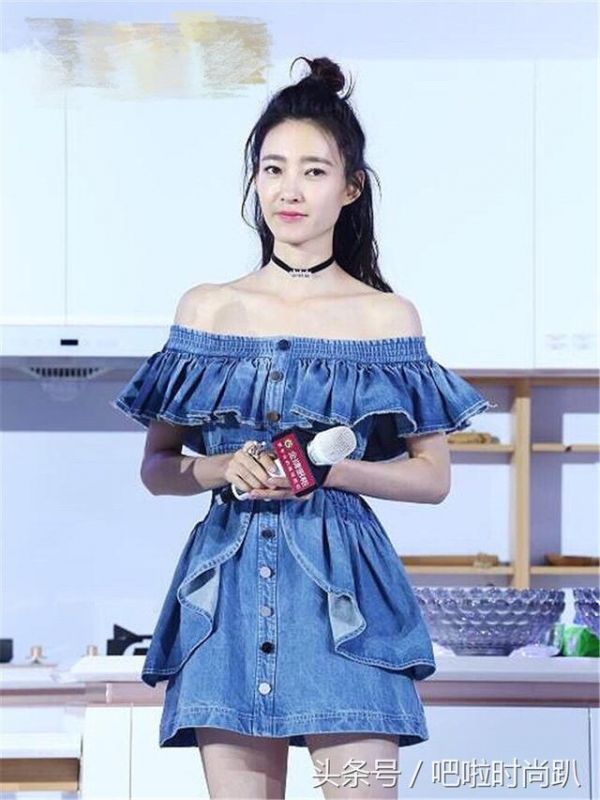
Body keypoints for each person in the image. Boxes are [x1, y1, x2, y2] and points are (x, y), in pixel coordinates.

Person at [112, 56, 494, 799]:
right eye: (273, 169)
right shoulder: (206, 309)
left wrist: (329, 472)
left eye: (314, 171)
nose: (290, 190)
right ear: (255, 181)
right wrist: (222, 468)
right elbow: (158, 467)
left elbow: (432, 478)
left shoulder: (386, 318)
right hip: (225, 590)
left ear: (351, 187)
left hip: (345, 595)